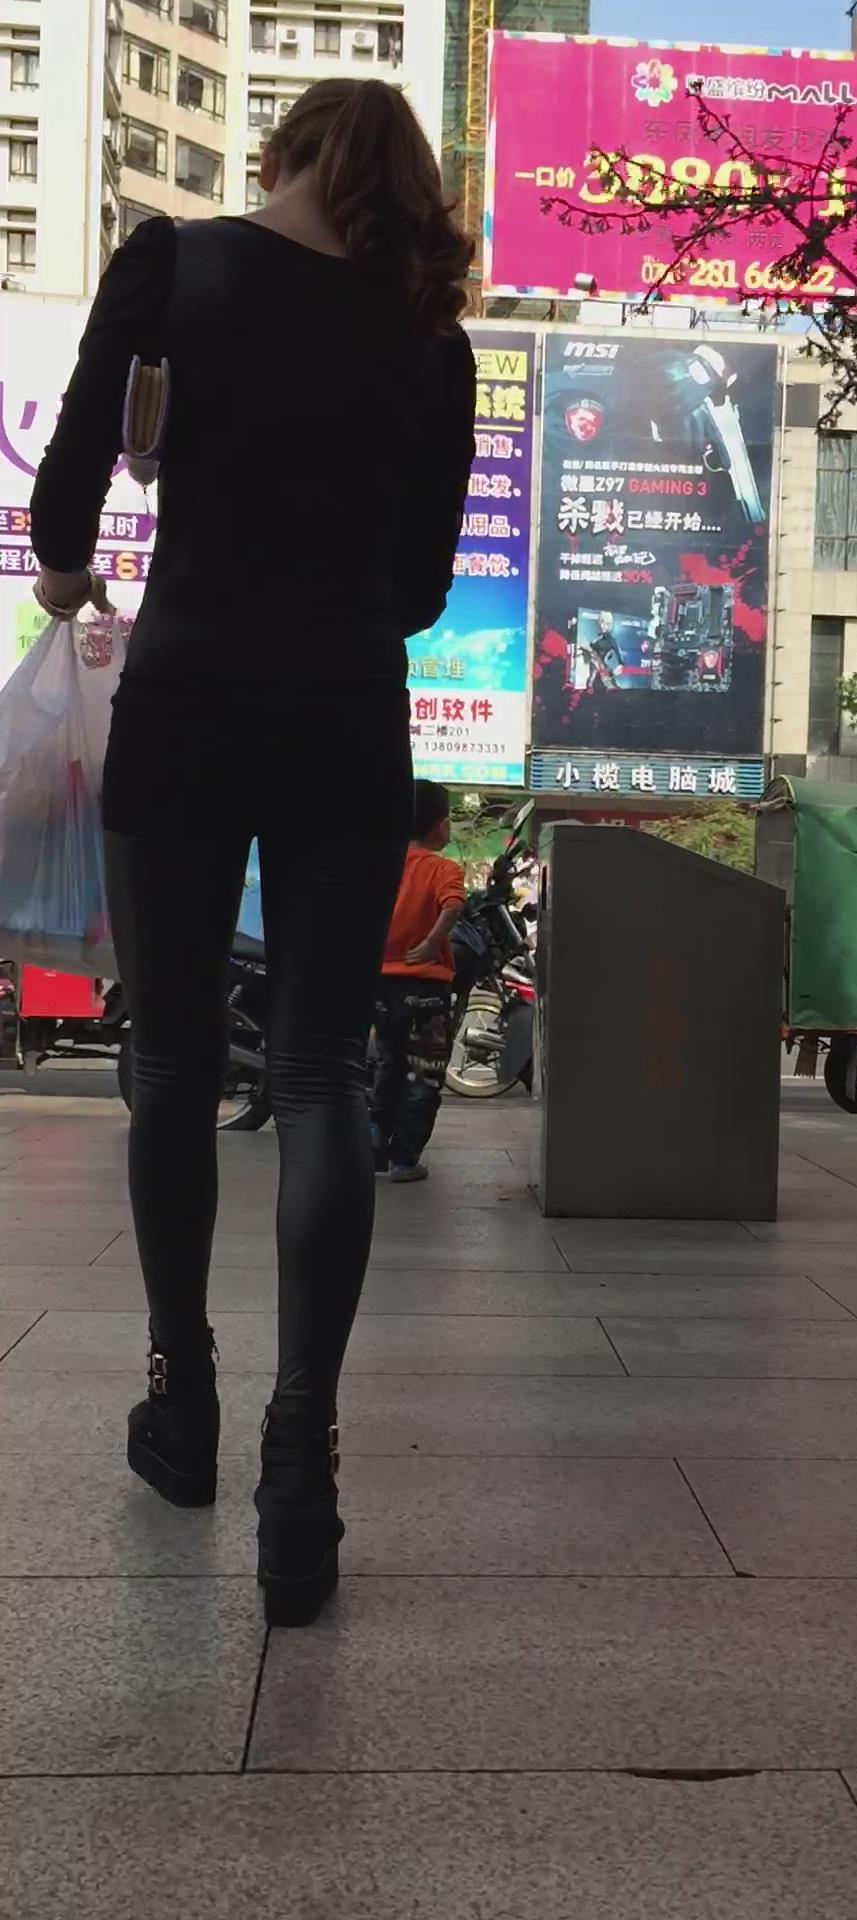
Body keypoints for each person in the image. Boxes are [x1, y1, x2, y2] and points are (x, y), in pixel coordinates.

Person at [28, 79, 476, 1627]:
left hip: (188, 694)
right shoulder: (429, 336)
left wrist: (76, 570)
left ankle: (182, 1401)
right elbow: (425, 585)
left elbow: (65, 496)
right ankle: (303, 1460)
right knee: (321, 1075)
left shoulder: (177, 266)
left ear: (282, 155)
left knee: (166, 1063)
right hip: (346, 708)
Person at [370, 780, 464, 1181]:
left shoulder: (384, 864)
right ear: (440, 825)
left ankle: (374, 1151)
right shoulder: (443, 868)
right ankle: (404, 1160)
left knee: (387, 1067)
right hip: (426, 988)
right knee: (424, 1073)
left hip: (382, 986)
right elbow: (453, 905)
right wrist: (430, 944)